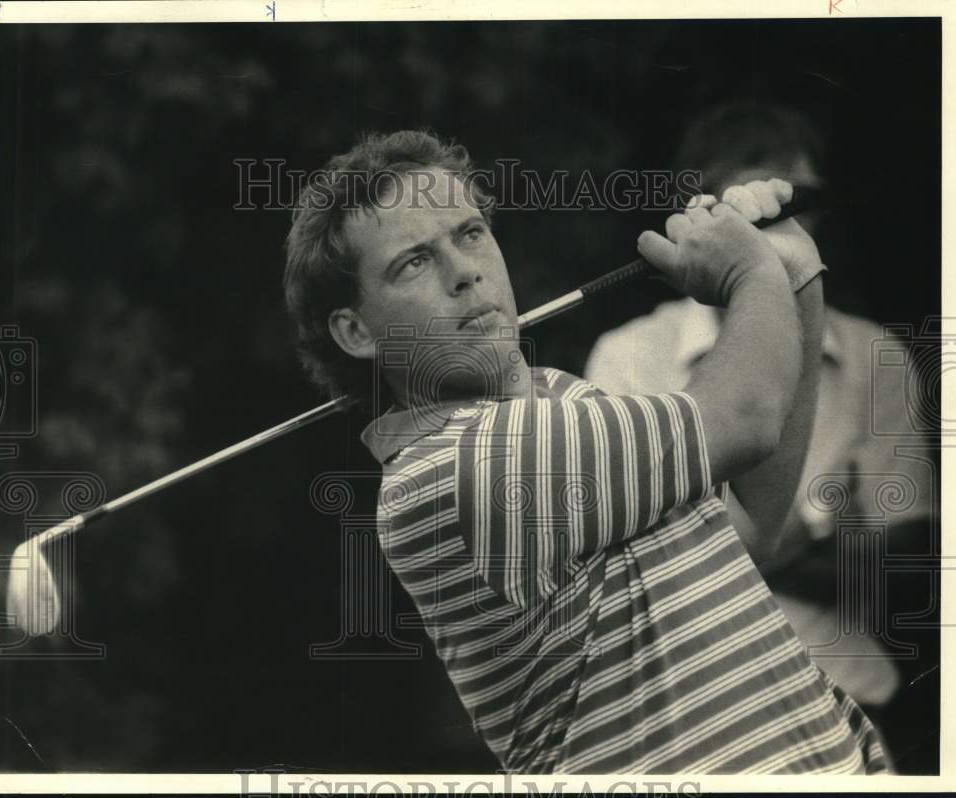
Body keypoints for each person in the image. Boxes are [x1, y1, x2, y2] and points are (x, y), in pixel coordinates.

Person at [283, 129, 887, 773]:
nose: (466, 273)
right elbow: (743, 418)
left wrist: (797, 278)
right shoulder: (443, 470)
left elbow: (745, 533)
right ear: (355, 331)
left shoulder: (560, 396)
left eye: (469, 233)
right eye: (414, 262)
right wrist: (750, 271)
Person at [584, 103, 937, 771]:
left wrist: (702, 538)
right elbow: (630, 575)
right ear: (705, 215)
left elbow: (901, 561)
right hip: (686, 713)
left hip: (849, 698)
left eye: (809, 204)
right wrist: (824, 526)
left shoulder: (875, 356)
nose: (796, 231)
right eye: (769, 211)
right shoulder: (627, 356)